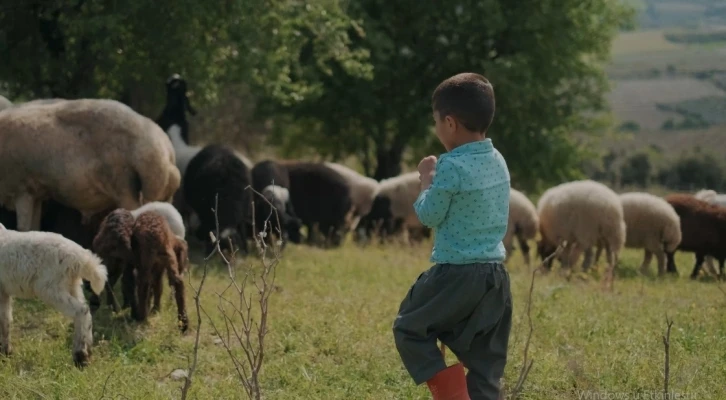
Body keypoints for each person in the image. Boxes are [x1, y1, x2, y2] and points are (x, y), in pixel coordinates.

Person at [392, 72, 512, 400]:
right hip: (494, 278)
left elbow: (428, 214)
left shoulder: (450, 166)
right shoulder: (498, 160)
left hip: (456, 274)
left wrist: (427, 178)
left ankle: (452, 397)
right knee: (486, 365)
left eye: (435, 121)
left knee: (409, 328)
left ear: (449, 123)